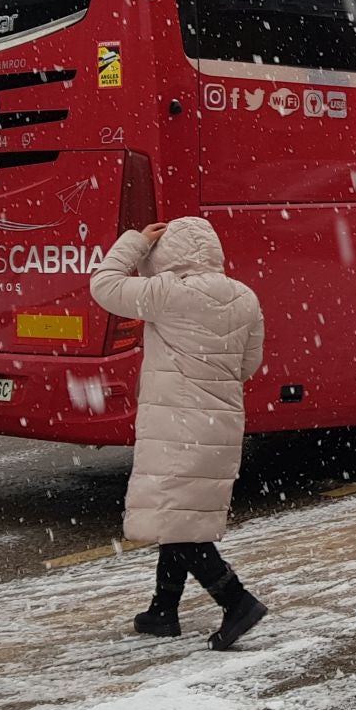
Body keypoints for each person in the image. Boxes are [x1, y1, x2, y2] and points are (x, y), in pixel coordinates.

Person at [89, 217, 268, 649]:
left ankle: (237, 600)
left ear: (166, 256)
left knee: (180, 522)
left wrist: (135, 243)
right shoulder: (245, 297)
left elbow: (104, 286)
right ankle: (162, 612)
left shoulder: (168, 293)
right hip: (220, 422)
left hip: (177, 423)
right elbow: (248, 365)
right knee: (180, 515)